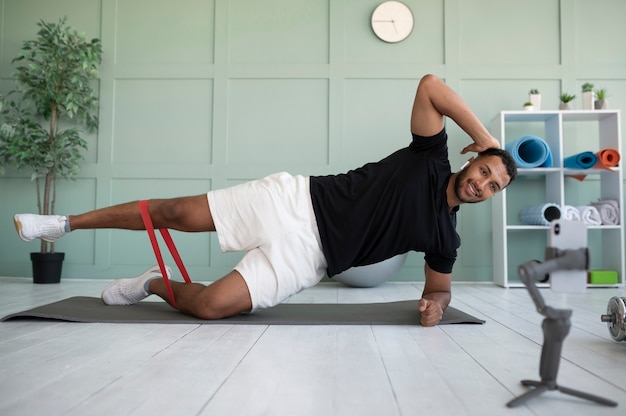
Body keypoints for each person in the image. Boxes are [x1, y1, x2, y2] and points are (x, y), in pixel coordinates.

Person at [12, 74, 517, 326]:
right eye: (486, 171)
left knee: (211, 306)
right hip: (293, 202)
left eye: (494, 187)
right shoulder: (429, 156)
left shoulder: (444, 238)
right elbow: (431, 86)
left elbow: (441, 290)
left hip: (310, 259)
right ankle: (62, 223)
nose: (483, 184)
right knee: (175, 214)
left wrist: (435, 306)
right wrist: (485, 136)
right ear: (472, 161)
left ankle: (153, 283)